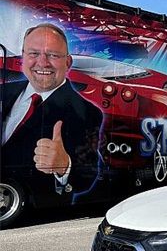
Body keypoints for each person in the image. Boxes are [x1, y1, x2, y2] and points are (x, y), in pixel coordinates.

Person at [1, 23, 103, 204]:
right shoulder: (4, 91)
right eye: (34, 53)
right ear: (22, 57)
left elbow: (88, 174)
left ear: (68, 62)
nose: (42, 62)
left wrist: (64, 166)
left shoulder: (87, 112)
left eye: (53, 55)